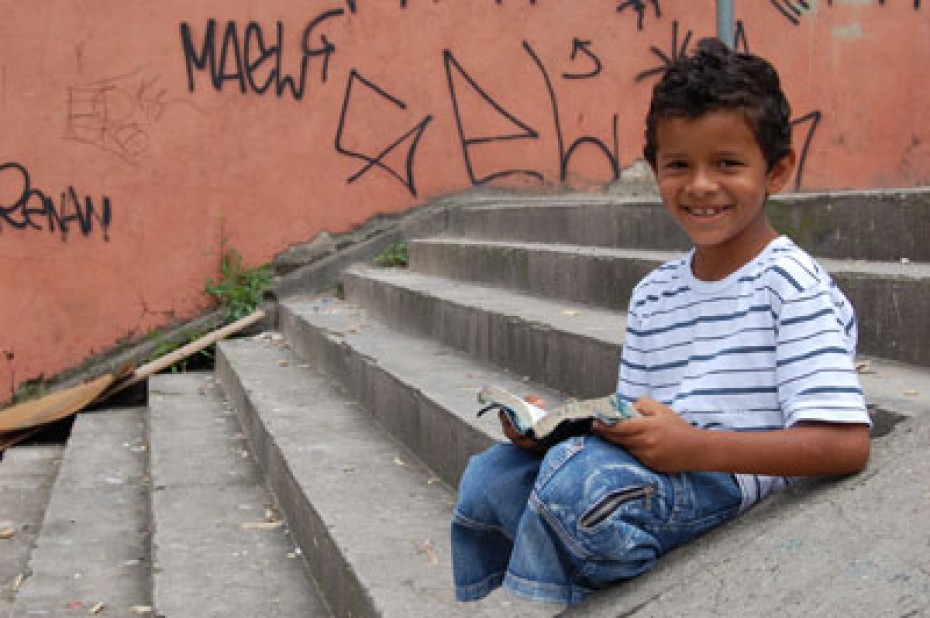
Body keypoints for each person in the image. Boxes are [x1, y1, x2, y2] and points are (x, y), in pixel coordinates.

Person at [451, 37, 872, 606]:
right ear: (654, 170)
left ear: (777, 171)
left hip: (726, 478)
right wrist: (556, 430)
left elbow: (843, 446)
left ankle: (578, 589)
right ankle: (550, 582)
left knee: (578, 490)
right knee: (492, 476)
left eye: (727, 163)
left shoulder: (791, 285)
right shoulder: (654, 293)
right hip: (658, 470)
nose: (700, 185)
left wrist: (694, 448)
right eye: (679, 165)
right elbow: (631, 418)